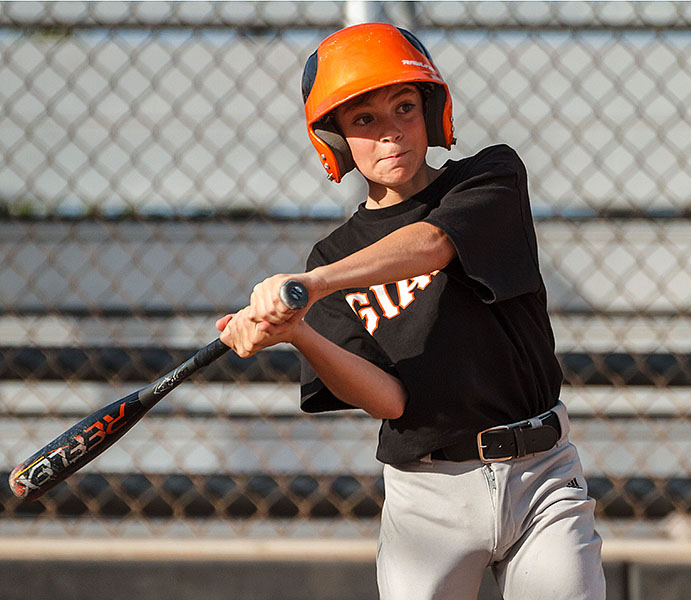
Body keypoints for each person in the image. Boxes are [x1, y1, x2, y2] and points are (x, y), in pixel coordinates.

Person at [216, 23, 605, 599]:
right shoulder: (332, 255)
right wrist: (299, 334)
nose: (391, 133)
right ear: (338, 140)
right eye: (364, 121)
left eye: (404, 107)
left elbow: (431, 244)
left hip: (540, 474)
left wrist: (310, 286)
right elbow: (388, 400)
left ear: (431, 111)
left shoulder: (489, 178)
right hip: (427, 496)